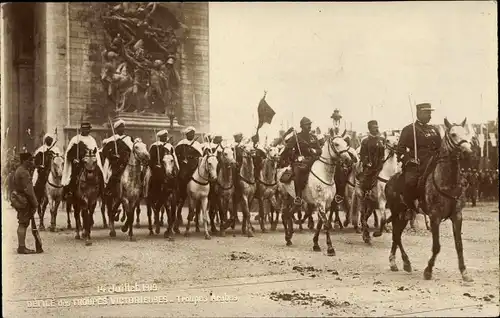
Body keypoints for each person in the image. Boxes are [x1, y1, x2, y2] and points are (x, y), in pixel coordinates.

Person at [397, 103, 442, 220]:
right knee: (409, 182)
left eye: (430, 113)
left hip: (434, 162)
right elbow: (400, 149)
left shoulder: (434, 129)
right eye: (427, 113)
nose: (430, 116)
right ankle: (409, 207)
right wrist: (409, 159)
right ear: (419, 113)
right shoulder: (408, 129)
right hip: (417, 164)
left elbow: (440, 146)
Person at [280, 117, 322, 206]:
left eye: (310, 124)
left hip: (313, 161)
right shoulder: (296, 137)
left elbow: (320, 150)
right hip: (300, 162)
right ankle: (298, 196)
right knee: (298, 171)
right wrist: (294, 157)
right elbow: (287, 149)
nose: (309, 126)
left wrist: (314, 151)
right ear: (302, 126)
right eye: (307, 125)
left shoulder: (313, 137)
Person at [62, 122, 104, 198]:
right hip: (79, 164)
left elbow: (96, 153)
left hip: (91, 163)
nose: (86, 131)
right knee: (74, 176)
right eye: (84, 129)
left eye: (87, 129)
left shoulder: (92, 140)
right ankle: (70, 191)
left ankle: (102, 192)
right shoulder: (75, 139)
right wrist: (74, 159)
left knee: (100, 174)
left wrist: (93, 161)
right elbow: (69, 154)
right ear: (81, 129)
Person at [12, 152, 39, 254]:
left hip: (20, 198)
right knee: (23, 223)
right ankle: (22, 247)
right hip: (24, 200)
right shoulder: (24, 172)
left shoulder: (20, 170)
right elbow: (29, 190)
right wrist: (35, 203)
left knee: (23, 222)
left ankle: (21, 246)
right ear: (24, 161)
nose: (31, 162)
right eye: (29, 160)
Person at [101, 119, 134, 196]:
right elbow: (105, 152)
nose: (122, 129)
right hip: (116, 163)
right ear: (116, 129)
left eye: (123, 127)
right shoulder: (111, 139)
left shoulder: (128, 138)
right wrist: (112, 155)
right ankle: (109, 190)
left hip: (128, 161)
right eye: (120, 127)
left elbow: (133, 150)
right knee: (114, 175)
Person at [359, 120, 385, 195]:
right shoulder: (365, 141)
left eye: (377, 127)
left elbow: (384, 153)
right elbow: (362, 154)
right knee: (365, 180)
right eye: (374, 128)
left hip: (380, 164)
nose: (376, 129)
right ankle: (366, 193)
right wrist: (366, 162)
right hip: (369, 166)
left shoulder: (382, 140)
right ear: (369, 129)